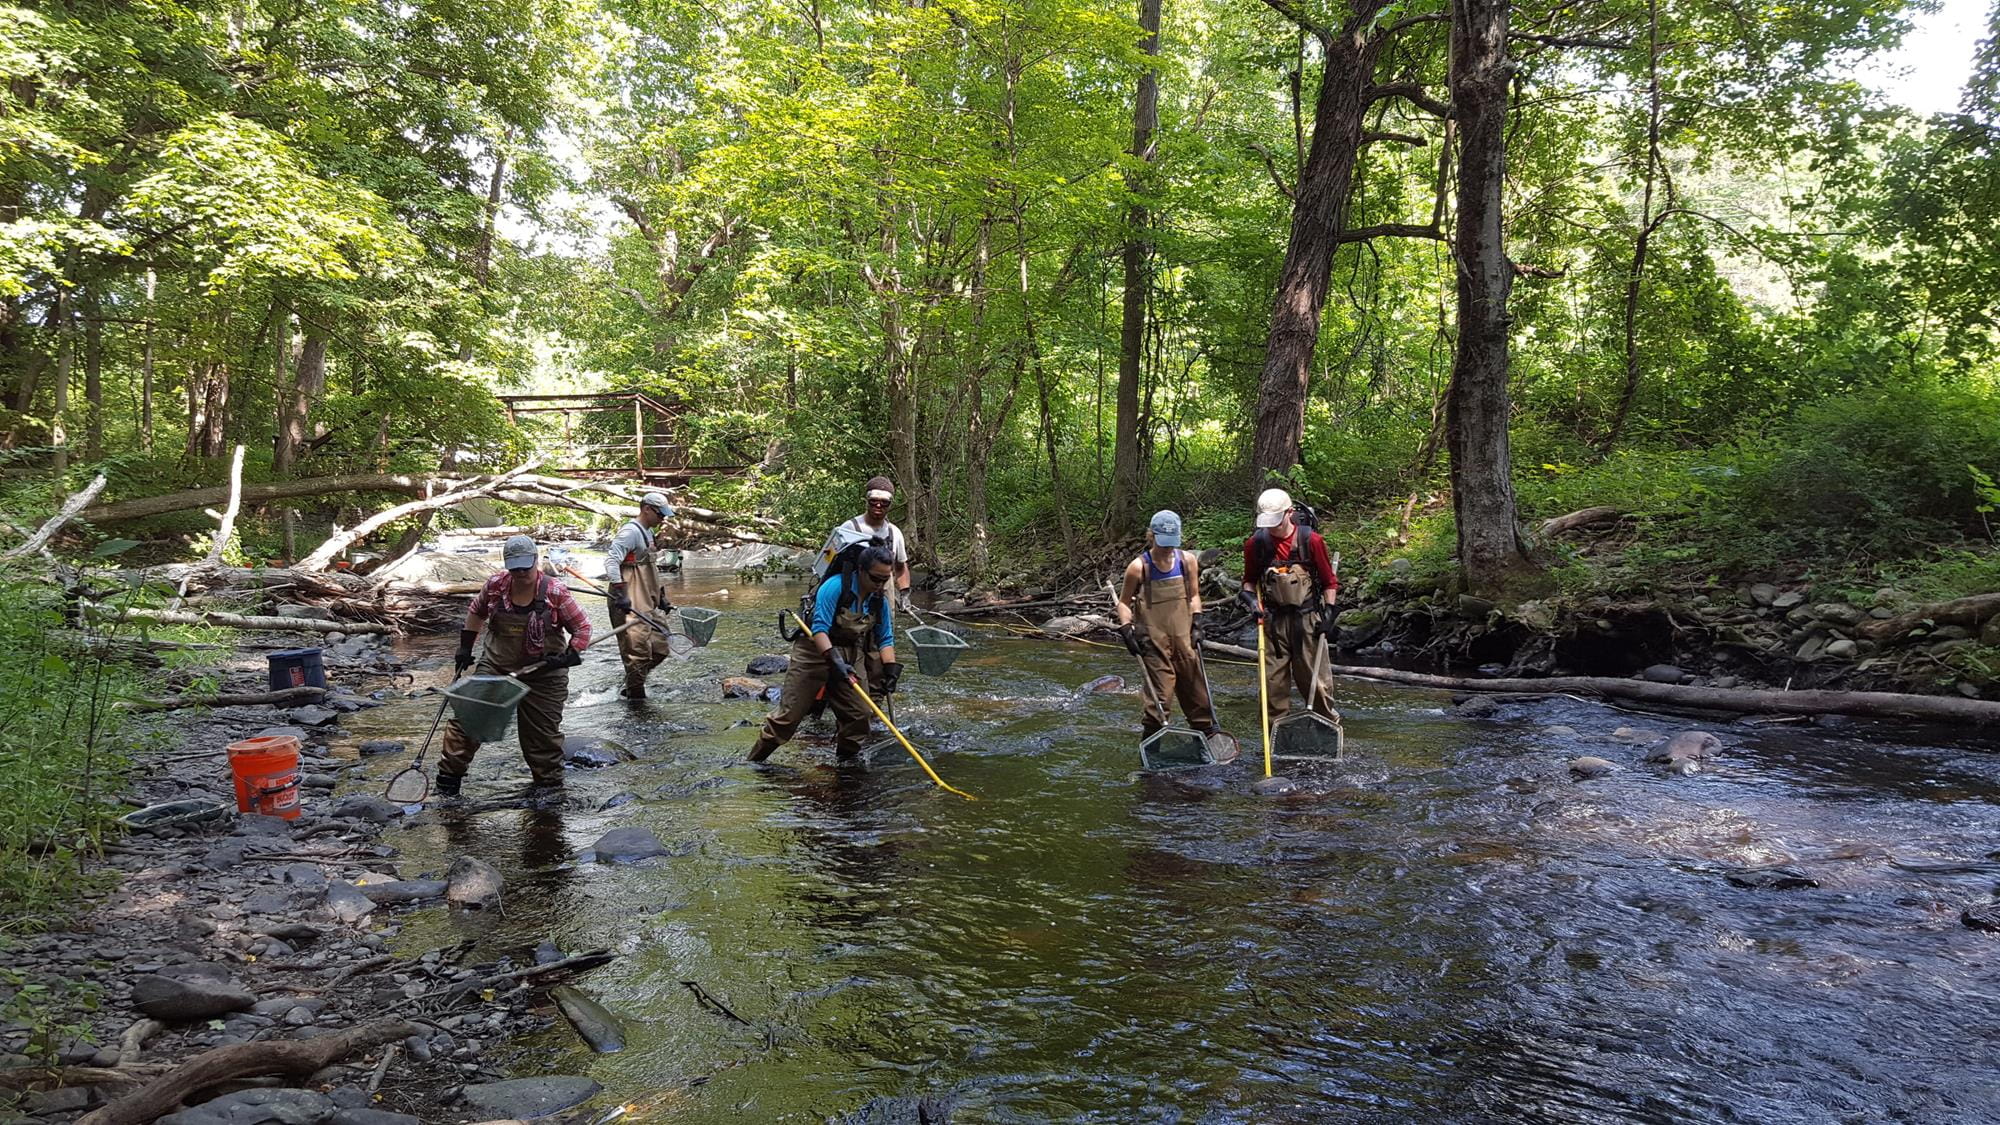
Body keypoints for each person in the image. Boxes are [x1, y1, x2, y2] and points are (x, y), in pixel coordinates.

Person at [438, 535, 591, 797]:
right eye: (515, 568)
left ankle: (549, 793)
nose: (521, 573)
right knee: (468, 721)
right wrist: (464, 647)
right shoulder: (496, 585)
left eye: (526, 567)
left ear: (536, 561)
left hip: (545, 673)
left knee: (541, 738)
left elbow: (582, 629)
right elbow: (476, 612)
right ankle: (448, 784)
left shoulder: (555, 591)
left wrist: (570, 655)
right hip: (496, 666)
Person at [750, 544, 903, 763]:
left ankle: (845, 767)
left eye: (885, 580)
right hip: (813, 653)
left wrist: (890, 670)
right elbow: (819, 629)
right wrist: (835, 661)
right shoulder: (834, 587)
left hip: (851, 653)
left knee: (860, 715)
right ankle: (754, 763)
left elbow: (885, 638)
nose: (880, 586)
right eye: (875, 579)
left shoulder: (878, 600)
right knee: (787, 719)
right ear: (861, 570)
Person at [1115, 510, 1220, 740]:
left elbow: (1193, 596)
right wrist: (1126, 629)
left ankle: (1208, 741)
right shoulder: (1138, 567)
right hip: (1154, 643)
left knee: (1199, 698)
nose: (1167, 548)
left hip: (1185, 641)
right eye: (1163, 543)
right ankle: (1152, 750)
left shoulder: (1187, 561)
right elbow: (1123, 603)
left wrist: (1198, 622)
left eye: (1171, 543)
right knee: (1159, 701)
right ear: (1151, 535)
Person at [1240, 487, 1338, 718]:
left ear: (1289, 513)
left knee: (1317, 685)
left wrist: (1330, 613)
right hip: (1273, 623)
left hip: (1307, 621)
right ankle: (1276, 738)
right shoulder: (1255, 544)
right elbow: (1249, 582)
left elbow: (1329, 582)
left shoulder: (1311, 541)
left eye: (1276, 520)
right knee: (1272, 689)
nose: (1271, 526)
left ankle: (1325, 728)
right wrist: (1252, 601)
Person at [605, 491, 676, 700]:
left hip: (647, 598)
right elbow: (611, 562)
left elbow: (649, 569)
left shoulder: (647, 532)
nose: (663, 519)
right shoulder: (630, 532)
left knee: (662, 644)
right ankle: (636, 700)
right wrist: (621, 593)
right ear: (646, 509)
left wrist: (661, 596)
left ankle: (631, 683)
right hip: (630, 597)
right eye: (660, 514)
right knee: (637, 653)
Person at [815, 476, 913, 611]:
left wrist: (904, 593)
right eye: (874, 501)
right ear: (866, 501)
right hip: (850, 598)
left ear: (890, 504)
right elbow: (828, 566)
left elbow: (901, 567)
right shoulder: (848, 528)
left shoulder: (895, 533)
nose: (878, 506)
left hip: (883, 599)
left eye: (884, 502)